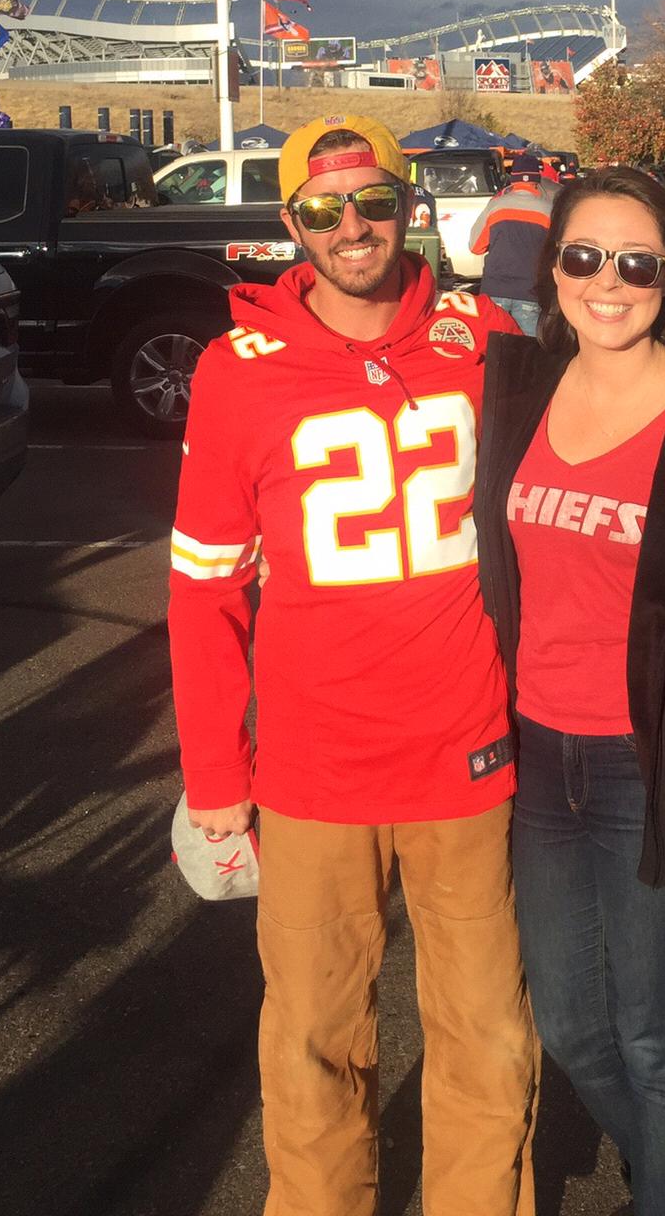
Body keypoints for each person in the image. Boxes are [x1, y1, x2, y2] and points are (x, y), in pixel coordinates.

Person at [168, 111, 538, 1216]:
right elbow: (203, 586)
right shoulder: (236, 371)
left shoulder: (483, 341)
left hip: (466, 744)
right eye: (324, 207)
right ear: (292, 223)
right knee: (314, 1044)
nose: (353, 224)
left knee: (490, 1036)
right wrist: (213, 774)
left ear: (410, 205)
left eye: (373, 199)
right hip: (309, 762)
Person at [473, 167, 665, 1216]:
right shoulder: (517, 389)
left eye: (636, 262)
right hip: (537, 759)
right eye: (584, 256)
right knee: (571, 1026)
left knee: (657, 1036)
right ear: (552, 265)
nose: (608, 282)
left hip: (649, 765)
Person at [470, 157, 556, 335]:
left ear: (513, 178)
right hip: (530, 293)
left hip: (494, 292)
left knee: (491, 349)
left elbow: (475, 246)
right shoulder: (549, 210)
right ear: (536, 180)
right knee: (526, 353)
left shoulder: (495, 207)